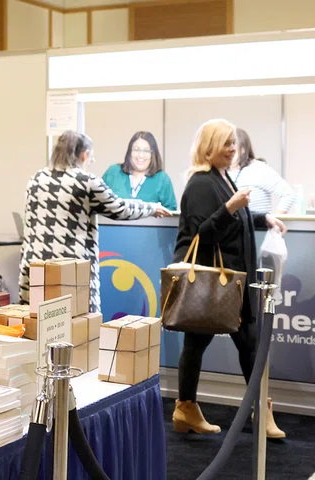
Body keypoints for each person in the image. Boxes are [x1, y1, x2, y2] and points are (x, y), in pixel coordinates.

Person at [172, 119, 286, 438]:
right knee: (240, 343)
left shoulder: (223, 178)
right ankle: (253, 410)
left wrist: (263, 218)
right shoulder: (200, 184)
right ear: (208, 147)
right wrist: (232, 206)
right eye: (225, 143)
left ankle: (187, 408)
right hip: (216, 281)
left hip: (228, 281)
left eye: (233, 143)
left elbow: (234, 220)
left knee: (204, 342)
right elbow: (204, 233)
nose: (232, 149)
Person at [19, 130, 170, 313]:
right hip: (69, 270)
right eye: (90, 155)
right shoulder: (85, 181)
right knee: (75, 326)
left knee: (36, 324)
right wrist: (151, 208)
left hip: (34, 268)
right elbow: (119, 208)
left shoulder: (36, 179)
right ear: (83, 155)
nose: (92, 160)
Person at [101, 131, 177, 211]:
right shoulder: (113, 172)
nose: (140, 155)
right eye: (136, 150)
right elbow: (96, 201)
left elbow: (170, 213)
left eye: (146, 151)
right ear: (129, 152)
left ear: (153, 154)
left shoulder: (162, 179)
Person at [227, 128, 297, 214]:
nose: (229, 149)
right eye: (225, 144)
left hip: (258, 225)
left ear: (243, 148)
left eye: (233, 143)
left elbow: (288, 195)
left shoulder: (257, 168)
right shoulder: (222, 172)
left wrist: (274, 220)